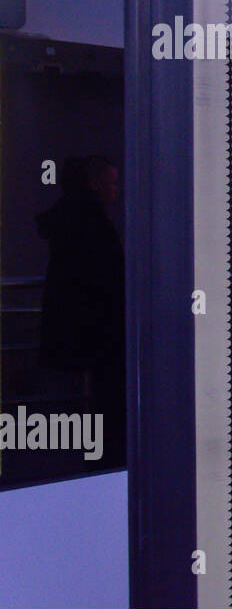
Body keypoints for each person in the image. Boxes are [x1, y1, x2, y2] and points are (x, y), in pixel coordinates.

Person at [37, 155, 126, 468]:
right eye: (112, 182)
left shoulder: (69, 223)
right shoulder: (93, 225)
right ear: (95, 184)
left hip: (73, 333)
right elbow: (108, 281)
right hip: (97, 338)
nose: (116, 190)